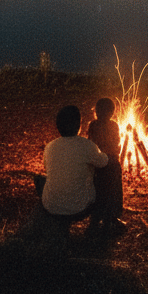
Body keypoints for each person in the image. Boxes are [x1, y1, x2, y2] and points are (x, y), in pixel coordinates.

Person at [40, 104, 109, 222]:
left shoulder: (49, 147)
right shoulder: (87, 145)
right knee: (104, 177)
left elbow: (47, 168)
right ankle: (99, 222)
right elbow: (104, 162)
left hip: (51, 208)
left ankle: (51, 219)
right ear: (79, 126)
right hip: (79, 209)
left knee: (39, 180)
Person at [87, 97, 124, 231]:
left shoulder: (93, 125)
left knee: (98, 191)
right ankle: (111, 218)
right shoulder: (114, 125)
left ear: (96, 111)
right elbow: (115, 145)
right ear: (112, 113)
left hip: (97, 163)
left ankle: (95, 221)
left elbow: (90, 142)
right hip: (110, 163)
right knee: (113, 190)